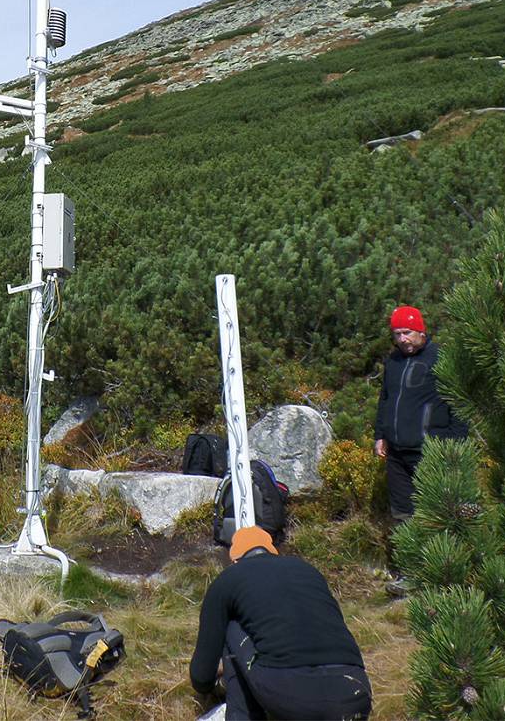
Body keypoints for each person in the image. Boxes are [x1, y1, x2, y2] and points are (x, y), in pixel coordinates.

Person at [189, 526, 372, 720]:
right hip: (355, 694)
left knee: (233, 626)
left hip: (293, 698)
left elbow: (201, 675)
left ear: (234, 559)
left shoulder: (229, 579)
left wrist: (213, 686)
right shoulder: (307, 570)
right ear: (272, 551)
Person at [373, 305, 469, 525]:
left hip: (430, 452)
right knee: (402, 515)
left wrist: (452, 446)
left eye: (407, 332)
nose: (402, 339)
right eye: (397, 334)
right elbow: (385, 399)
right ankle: (406, 558)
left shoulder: (440, 359)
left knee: (435, 513)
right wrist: (380, 435)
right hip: (396, 454)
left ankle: (440, 558)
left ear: (421, 332)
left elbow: (459, 405)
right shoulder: (393, 361)